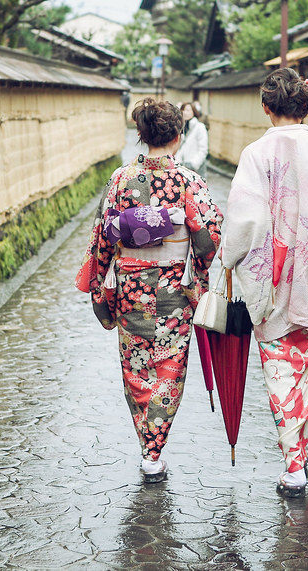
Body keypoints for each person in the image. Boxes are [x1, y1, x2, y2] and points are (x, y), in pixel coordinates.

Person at [222, 68, 308, 497]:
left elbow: (245, 219)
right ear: (307, 105)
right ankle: (300, 446)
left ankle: (294, 461)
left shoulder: (256, 153)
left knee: (280, 362)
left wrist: (228, 258)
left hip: (274, 270)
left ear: (266, 107)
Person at [78, 98, 223, 483]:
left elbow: (103, 238)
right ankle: (155, 451)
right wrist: (199, 273)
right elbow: (210, 237)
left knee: (135, 366)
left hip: (131, 288)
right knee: (170, 367)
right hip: (175, 290)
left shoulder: (120, 179)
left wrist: (101, 286)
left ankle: (147, 445)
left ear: (141, 135)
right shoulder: (190, 182)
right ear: (177, 136)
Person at [175, 101, 208, 175]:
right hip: (180, 166)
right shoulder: (180, 127)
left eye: (188, 110)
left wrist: (193, 164)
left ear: (194, 112)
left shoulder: (200, 127)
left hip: (194, 168)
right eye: (183, 110)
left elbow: (203, 149)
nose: (184, 112)